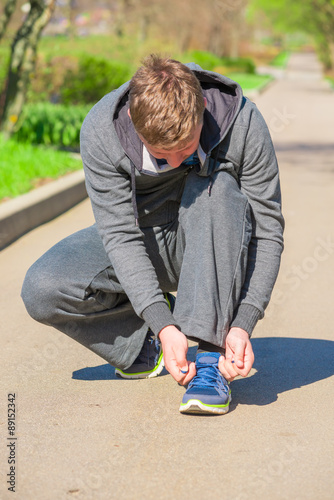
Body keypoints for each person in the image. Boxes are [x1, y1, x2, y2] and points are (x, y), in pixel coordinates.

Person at [21, 54, 284, 415]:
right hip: (145, 237)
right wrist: (161, 324)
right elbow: (120, 236)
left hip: (217, 241)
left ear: (202, 107)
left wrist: (242, 323)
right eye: (163, 155)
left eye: (187, 149)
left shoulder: (242, 121)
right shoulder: (102, 131)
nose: (176, 162)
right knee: (43, 288)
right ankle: (145, 346)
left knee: (218, 188)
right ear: (133, 118)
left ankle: (211, 359)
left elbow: (268, 230)